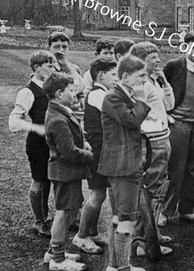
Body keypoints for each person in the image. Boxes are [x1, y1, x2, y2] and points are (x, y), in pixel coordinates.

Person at [99, 55, 152, 271]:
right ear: (126, 76)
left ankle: (115, 265)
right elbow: (131, 120)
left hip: (124, 163)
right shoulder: (113, 97)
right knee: (126, 220)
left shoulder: (120, 95)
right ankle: (122, 268)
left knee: (120, 216)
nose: (145, 80)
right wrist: (141, 100)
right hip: (124, 166)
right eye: (141, 76)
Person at [161, 32, 194, 226]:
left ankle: (186, 210)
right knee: (176, 168)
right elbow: (159, 90)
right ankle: (165, 211)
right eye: (193, 47)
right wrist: (166, 114)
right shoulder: (173, 66)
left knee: (193, 167)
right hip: (179, 124)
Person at [42, 72, 94, 271]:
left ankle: (54, 252)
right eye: (71, 91)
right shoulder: (57, 119)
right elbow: (69, 152)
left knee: (69, 211)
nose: (75, 94)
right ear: (58, 93)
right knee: (64, 213)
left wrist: (83, 142)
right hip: (64, 171)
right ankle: (57, 259)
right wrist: (90, 155)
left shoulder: (60, 111)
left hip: (66, 172)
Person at [128, 42, 175, 252]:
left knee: (157, 186)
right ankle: (143, 240)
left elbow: (169, 105)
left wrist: (164, 82)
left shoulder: (152, 81)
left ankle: (151, 233)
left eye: (157, 56)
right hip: (152, 140)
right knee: (152, 189)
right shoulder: (140, 84)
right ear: (140, 61)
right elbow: (137, 115)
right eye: (153, 57)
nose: (158, 60)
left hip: (161, 137)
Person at [8, 50, 57, 237]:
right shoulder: (27, 92)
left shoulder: (51, 87)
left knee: (52, 180)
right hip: (38, 145)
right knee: (39, 180)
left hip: (54, 143)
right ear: (37, 68)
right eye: (49, 66)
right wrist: (37, 128)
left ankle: (50, 218)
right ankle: (39, 222)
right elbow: (13, 122)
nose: (53, 69)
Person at [72, 58, 118, 255]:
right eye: (114, 75)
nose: (117, 79)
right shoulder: (98, 95)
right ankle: (81, 236)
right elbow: (118, 114)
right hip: (98, 150)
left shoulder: (102, 93)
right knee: (97, 194)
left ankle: (92, 231)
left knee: (101, 193)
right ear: (101, 75)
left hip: (102, 149)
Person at [48, 32, 85, 121]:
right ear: (49, 48)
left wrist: (81, 99)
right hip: (56, 113)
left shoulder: (74, 68)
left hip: (74, 113)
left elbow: (80, 89)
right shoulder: (46, 69)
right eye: (56, 47)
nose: (61, 50)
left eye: (64, 47)